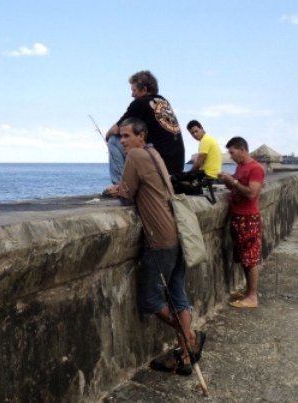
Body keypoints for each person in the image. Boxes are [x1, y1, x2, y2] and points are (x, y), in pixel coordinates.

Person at [105, 117, 205, 375]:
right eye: (122, 137)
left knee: (151, 300)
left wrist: (116, 190)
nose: (123, 141)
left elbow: (127, 196)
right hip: (177, 233)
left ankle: (189, 336)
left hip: (159, 239)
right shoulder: (153, 153)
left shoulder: (136, 156)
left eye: (127, 136)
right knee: (178, 295)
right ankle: (185, 356)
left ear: (141, 136)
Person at [105, 70, 185, 185]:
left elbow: (117, 129)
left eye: (134, 90)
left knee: (114, 140)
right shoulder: (163, 102)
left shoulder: (140, 103)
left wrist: (107, 135)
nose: (132, 94)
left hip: (160, 167)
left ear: (145, 89)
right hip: (176, 169)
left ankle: (120, 186)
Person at [218, 137, 265, 308]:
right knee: (244, 257)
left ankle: (252, 297)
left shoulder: (256, 168)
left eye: (232, 152)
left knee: (250, 258)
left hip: (248, 217)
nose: (230, 156)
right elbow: (237, 189)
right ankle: (248, 291)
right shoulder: (241, 167)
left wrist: (234, 182)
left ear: (242, 149)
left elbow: (251, 193)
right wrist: (228, 181)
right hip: (238, 216)